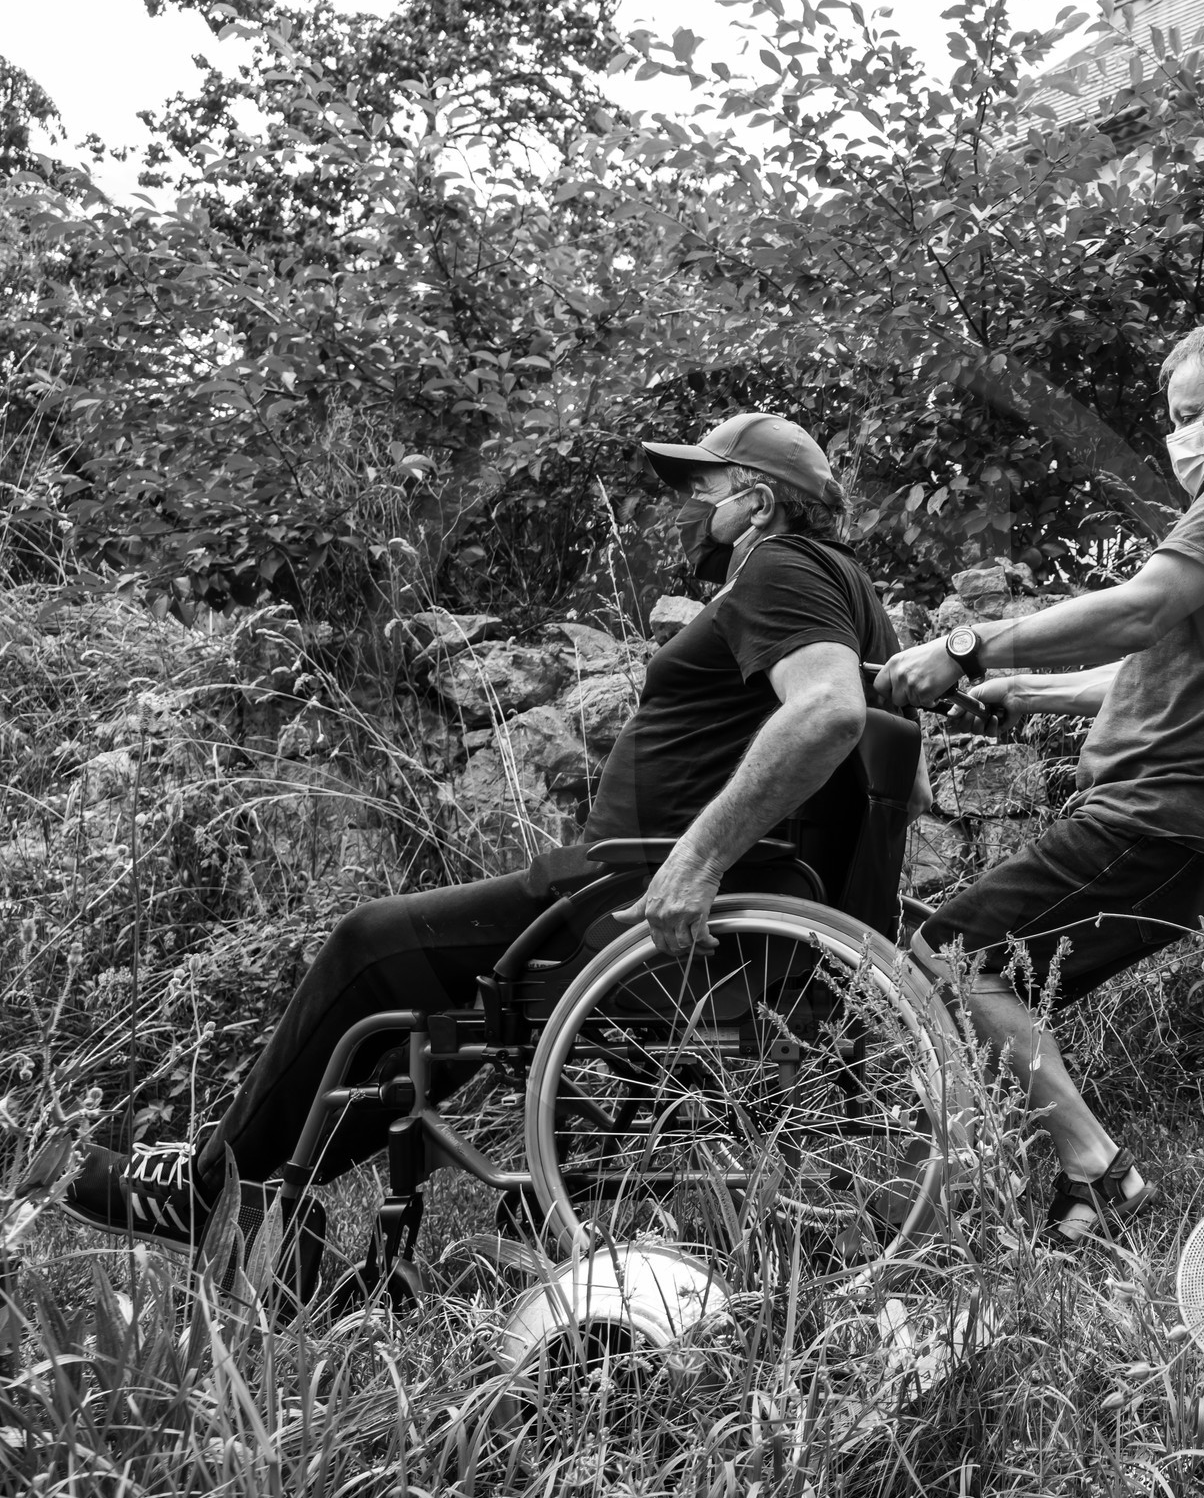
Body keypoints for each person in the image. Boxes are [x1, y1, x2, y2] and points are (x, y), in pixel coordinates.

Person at [66, 412, 928, 1273]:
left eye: (701, 488)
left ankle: (210, 1191)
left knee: (374, 942)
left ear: (758, 500)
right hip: (729, 922)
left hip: (634, 913)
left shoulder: (783, 569)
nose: (688, 508)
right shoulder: (856, 597)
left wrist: (696, 861)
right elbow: (909, 787)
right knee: (435, 991)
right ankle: (260, 1199)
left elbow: (828, 713)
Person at [876, 318, 1204, 1247]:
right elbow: (1144, 667)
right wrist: (1022, 691)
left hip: (1165, 815)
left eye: (1192, 414)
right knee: (997, 977)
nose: (1181, 439)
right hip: (1180, 824)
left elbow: (1139, 610)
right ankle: (1073, 1186)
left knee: (953, 955)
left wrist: (965, 645)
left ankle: (1099, 1173)